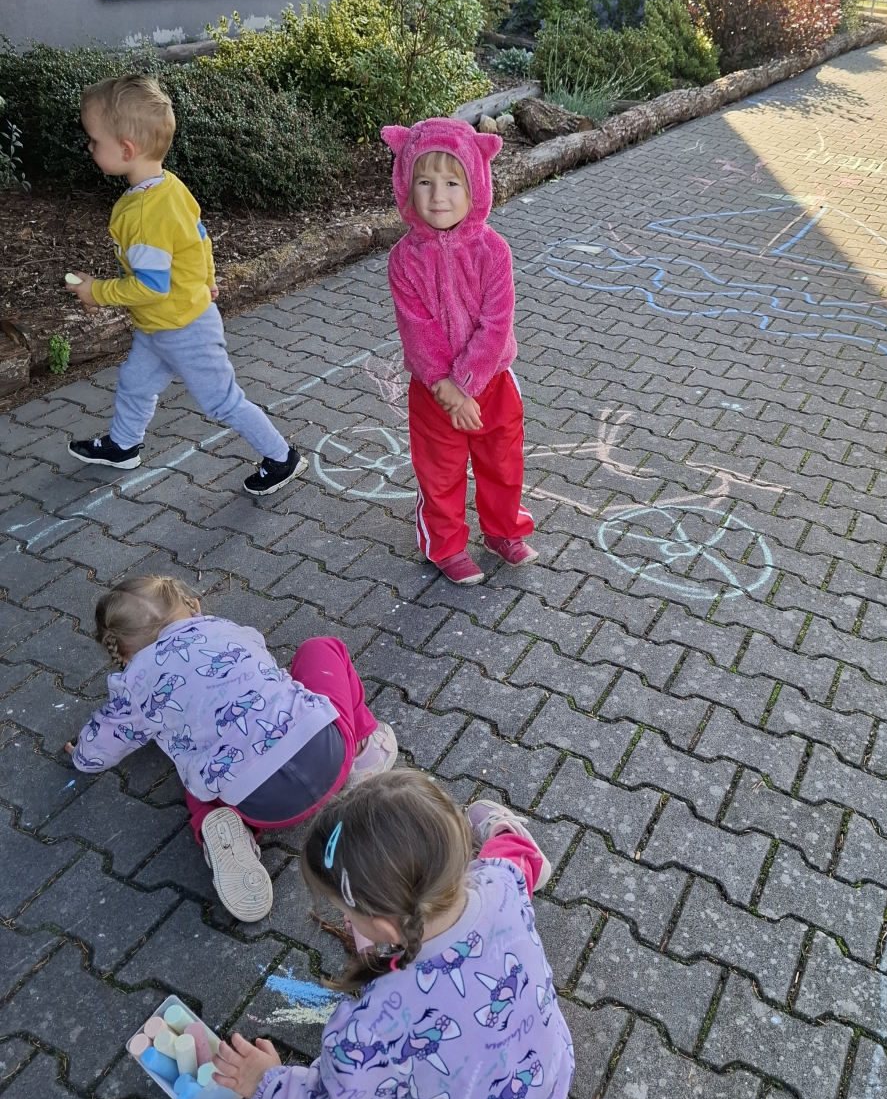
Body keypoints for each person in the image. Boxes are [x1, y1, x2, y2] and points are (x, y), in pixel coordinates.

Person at [214, 770, 572, 1099]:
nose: (345, 921)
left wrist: (265, 1084)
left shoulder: (374, 1026)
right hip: (536, 1098)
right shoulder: (502, 884)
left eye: (347, 912)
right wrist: (497, 832)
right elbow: (513, 857)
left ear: (384, 924)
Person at [65, 575, 397, 922]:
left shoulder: (133, 683)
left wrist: (82, 756)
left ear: (122, 650)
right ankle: (364, 751)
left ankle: (225, 832)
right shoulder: (224, 628)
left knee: (195, 770)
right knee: (321, 647)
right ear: (191, 605)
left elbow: (106, 738)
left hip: (263, 806)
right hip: (329, 754)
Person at [65, 74, 305, 496]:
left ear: (126, 150)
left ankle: (281, 457)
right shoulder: (169, 186)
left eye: (94, 140)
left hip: (185, 330)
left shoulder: (144, 216)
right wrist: (206, 279)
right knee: (135, 383)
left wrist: (96, 292)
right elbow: (199, 237)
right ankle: (123, 445)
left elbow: (151, 286)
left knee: (222, 401)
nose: (89, 147)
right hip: (158, 327)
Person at [382, 117, 536, 587]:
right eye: (424, 182)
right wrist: (445, 387)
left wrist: (465, 383)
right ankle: (445, 545)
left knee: (502, 462)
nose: (438, 196)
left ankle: (503, 530)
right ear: (406, 187)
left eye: (452, 183)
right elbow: (417, 328)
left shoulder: (494, 250)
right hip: (434, 391)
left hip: (493, 384)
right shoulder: (403, 259)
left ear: (476, 186)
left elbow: (496, 324)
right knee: (440, 472)